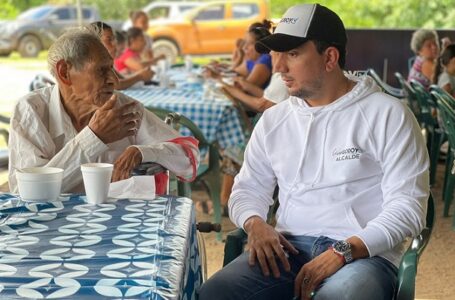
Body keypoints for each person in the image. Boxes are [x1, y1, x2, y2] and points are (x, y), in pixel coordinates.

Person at [199, 4, 429, 300]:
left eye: (293, 54)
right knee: (215, 293)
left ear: (330, 57)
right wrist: (254, 222)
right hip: (288, 250)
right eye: (277, 54)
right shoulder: (274, 120)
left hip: (364, 255)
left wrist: (343, 251)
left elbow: (408, 207)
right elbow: (248, 188)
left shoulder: (387, 115)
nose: (279, 67)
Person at [8, 29, 199, 194]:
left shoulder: (123, 109)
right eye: (102, 70)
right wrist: (94, 138)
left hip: (117, 226)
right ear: (65, 72)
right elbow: (28, 193)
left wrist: (142, 152)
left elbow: (188, 159)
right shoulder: (31, 110)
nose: (113, 80)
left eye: (112, 69)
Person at [89, 22, 153, 90]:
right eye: (109, 40)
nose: (114, 44)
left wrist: (140, 75)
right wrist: (140, 76)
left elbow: (121, 79)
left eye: (114, 39)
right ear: (94, 43)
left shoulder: (107, 63)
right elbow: (116, 85)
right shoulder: (92, 64)